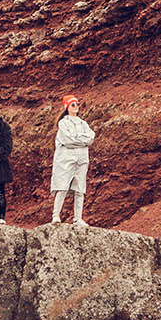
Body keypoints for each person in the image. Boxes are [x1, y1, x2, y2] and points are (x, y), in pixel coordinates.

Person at [49, 94, 95, 226]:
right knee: (62, 186)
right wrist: (82, 141)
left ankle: (78, 218)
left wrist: (79, 139)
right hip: (66, 159)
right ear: (67, 107)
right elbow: (67, 140)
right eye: (73, 104)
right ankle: (56, 215)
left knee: (80, 188)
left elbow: (91, 137)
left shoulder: (83, 123)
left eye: (77, 104)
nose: (76, 107)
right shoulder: (63, 123)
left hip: (82, 158)